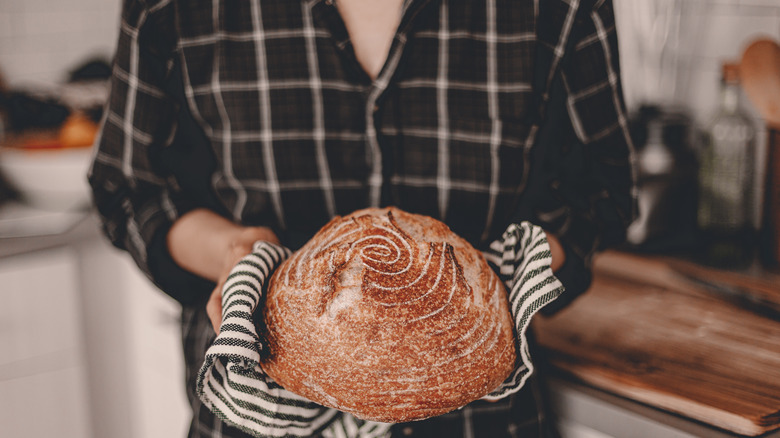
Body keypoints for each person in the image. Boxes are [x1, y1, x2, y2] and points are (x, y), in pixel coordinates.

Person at [88, 0, 636, 437]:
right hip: (256, 424)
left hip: (483, 421)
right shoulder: (174, 8)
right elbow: (130, 188)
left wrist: (496, 289)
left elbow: (601, 191)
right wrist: (235, 252)